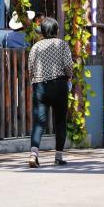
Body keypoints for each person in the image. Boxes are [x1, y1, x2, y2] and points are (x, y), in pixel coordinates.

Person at [27, 17, 73, 168]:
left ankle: (34, 154)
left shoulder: (36, 47)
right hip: (59, 85)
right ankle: (58, 157)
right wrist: (69, 77)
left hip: (40, 86)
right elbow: (68, 65)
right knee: (60, 121)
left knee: (39, 122)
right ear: (56, 30)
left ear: (42, 31)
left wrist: (34, 81)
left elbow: (31, 67)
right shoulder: (62, 44)